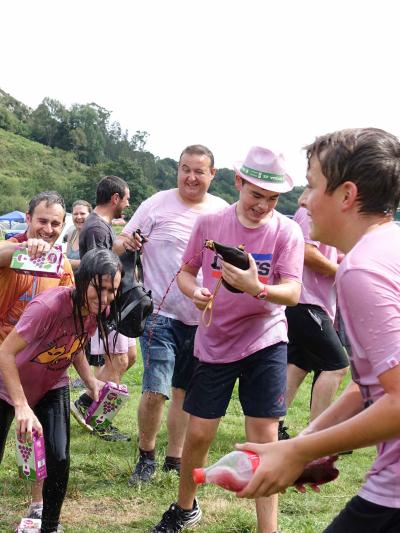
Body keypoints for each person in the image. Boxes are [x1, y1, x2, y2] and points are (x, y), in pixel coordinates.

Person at [235, 128, 400, 533]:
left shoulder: (361, 270)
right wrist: (302, 443)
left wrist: (299, 451)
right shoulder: (391, 243)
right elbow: (372, 386)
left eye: (311, 187)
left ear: (346, 195)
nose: (303, 201)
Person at [150, 146, 304, 533]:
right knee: (199, 433)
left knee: (264, 439)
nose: (262, 206)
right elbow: (186, 271)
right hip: (215, 340)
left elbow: (294, 291)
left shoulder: (287, 231)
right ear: (238, 182)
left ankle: (268, 528)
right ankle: (185, 507)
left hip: (266, 340)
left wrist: (259, 289)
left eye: (271, 199)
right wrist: (193, 291)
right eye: (255, 195)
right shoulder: (211, 224)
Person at [0, 248, 122, 533]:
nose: (105, 298)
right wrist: (21, 405)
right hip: (7, 385)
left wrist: (91, 381)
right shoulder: (49, 307)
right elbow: (6, 354)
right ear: (82, 281)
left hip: (51, 384)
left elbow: (75, 345)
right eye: (100, 288)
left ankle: (50, 527)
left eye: (112, 290)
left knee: (59, 457)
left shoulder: (98, 309)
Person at [118, 145, 228, 484]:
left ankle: (174, 458)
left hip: (202, 318)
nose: (191, 177)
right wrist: (130, 242)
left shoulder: (223, 212)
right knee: (156, 390)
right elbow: (119, 243)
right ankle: (146, 456)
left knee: (183, 392)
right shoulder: (155, 204)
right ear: (177, 170)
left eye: (199, 171)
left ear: (212, 174)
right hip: (159, 313)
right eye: (185, 169)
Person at [0, 190, 74, 522]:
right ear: (28, 219)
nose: (48, 229)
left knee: (39, 431)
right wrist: (25, 247)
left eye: (55, 223)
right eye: (42, 221)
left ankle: (38, 503)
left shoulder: (62, 263)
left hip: (38, 361)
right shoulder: (12, 250)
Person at [72, 175, 136, 442]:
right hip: (107, 304)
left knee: (129, 357)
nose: (128, 204)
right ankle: (96, 415)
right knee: (118, 360)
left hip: (116, 303)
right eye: (127, 198)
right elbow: (100, 270)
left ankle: (87, 400)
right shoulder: (97, 228)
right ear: (115, 198)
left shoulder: (101, 225)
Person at [278, 205, 348, 440]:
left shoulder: (327, 212)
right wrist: (340, 271)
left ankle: (273, 426)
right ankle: (316, 435)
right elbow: (306, 252)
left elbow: (324, 253)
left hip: (311, 302)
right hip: (307, 301)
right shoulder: (310, 211)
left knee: (298, 365)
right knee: (337, 366)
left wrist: (343, 261)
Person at [63, 199, 91, 270]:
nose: (78, 217)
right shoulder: (71, 233)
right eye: (75, 214)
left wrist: (65, 262)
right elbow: (67, 255)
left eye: (82, 213)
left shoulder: (93, 235)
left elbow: (93, 262)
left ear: (90, 215)